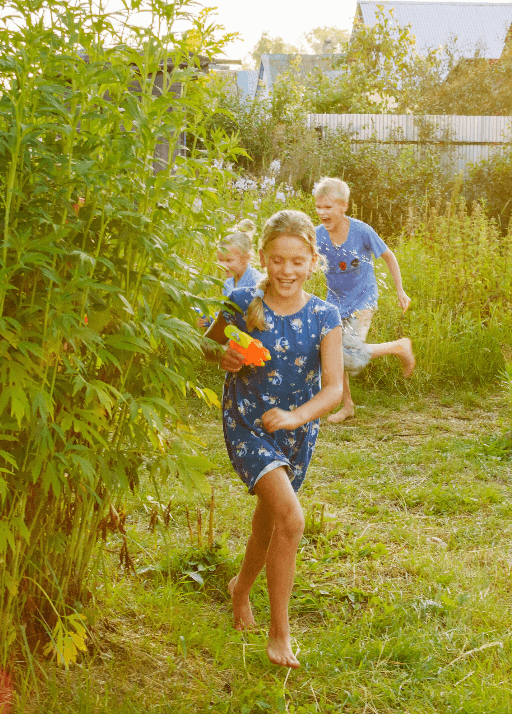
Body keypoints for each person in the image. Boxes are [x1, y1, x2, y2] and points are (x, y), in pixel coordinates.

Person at [203, 210, 343, 668]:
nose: (287, 270)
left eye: (297, 261)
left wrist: (296, 417)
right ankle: (279, 634)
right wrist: (222, 356)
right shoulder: (243, 300)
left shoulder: (326, 314)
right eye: (278, 260)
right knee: (292, 519)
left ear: (312, 261)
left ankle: (240, 589)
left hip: (297, 432)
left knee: (271, 517)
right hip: (246, 423)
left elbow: (334, 389)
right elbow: (207, 342)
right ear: (263, 257)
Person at [313, 177, 414, 423]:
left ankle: (399, 346)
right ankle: (347, 406)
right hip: (334, 302)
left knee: (348, 355)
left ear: (343, 206)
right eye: (318, 207)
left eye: (328, 207)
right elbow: (305, 260)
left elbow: (389, 256)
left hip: (363, 299)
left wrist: (400, 290)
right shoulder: (317, 235)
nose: (322, 212)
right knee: (335, 352)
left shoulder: (362, 231)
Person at [197, 220, 264, 328]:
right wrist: (207, 319)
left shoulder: (257, 282)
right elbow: (228, 315)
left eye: (228, 260)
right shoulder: (228, 283)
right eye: (220, 259)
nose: (222, 265)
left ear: (246, 258)